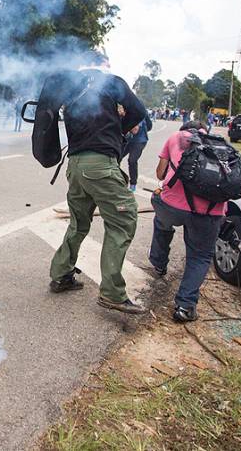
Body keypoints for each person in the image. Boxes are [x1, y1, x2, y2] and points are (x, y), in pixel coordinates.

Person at [48, 66, 148, 315]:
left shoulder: (72, 92)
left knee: (78, 223)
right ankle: (112, 293)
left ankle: (61, 274)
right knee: (123, 219)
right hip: (100, 165)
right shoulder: (111, 82)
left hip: (75, 166)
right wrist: (121, 124)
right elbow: (139, 112)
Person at [148, 121, 226, 322]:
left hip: (173, 206)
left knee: (161, 219)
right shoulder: (220, 144)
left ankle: (158, 263)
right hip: (211, 211)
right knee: (200, 256)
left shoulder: (175, 137)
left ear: (184, 129)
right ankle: (185, 306)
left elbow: (160, 174)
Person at [121, 110, 152, 192]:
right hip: (128, 140)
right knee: (116, 157)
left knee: (132, 160)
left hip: (139, 141)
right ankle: (118, 179)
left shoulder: (136, 111)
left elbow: (135, 130)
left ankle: (133, 184)